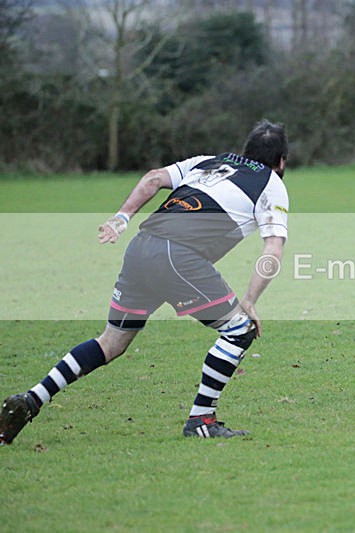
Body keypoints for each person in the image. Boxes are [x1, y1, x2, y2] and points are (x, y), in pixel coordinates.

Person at [0, 119, 290, 444]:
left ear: (244, 150)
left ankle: (31, 399)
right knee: (239, 329)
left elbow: (154, 178)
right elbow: (273, 248)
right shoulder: (272, 184)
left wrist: (122, 217)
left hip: (141, 247)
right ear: (281, 162)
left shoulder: (208, 161)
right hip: (177, 256)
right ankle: (201, 419)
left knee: (110, 343)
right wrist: (249, 301)